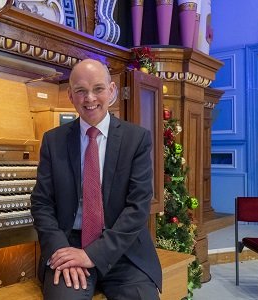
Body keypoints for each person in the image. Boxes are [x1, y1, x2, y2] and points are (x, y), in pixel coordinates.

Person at [30, 58, 162, 299]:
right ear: (70, 95)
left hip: (123, 249)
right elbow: (42, 204)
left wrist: (92, 255)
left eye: (98, 89)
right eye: (81, 91)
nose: (89, 98)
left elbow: (138, 207)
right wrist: (61, 250)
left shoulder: (137, 139)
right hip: (70, 246)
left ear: (111, 91)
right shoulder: (53, 141)